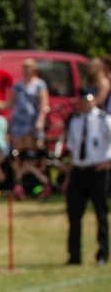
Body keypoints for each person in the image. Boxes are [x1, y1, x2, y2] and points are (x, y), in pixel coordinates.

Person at [63, 88, 111, 266]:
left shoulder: (104, 119)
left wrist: (107, 165)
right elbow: (71, 149)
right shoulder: (74, 120)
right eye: (82, 100)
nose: (84, 103)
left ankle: (103, 254)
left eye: (88, 100)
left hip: (98, 171)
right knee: (74, 215)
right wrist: (68, 176)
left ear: (95, 100)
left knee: (101, 215)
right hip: (78, 171)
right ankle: (74, 255)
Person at [5, 58, 49, 148]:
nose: (26, 69)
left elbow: (43, 104)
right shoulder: (18, 85)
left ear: (34, 69)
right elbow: (9, 103)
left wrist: (40, 120)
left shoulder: (40, 85)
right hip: (19, 120)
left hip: (33, 120)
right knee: (18, 145)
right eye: (25, 67)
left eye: (29, 67)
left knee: (35, 145)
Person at [11, 131, 51, 200]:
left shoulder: (41, 153)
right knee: (18, 184)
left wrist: (31, 168)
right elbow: (18, 169)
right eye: (25, 140)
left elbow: (43, 168)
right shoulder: (22, 153)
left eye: (30, 140)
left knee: (42, 184)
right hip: (25, 179)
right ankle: (22, 195)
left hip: (37, 179)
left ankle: (41, 194)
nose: (27, 142)